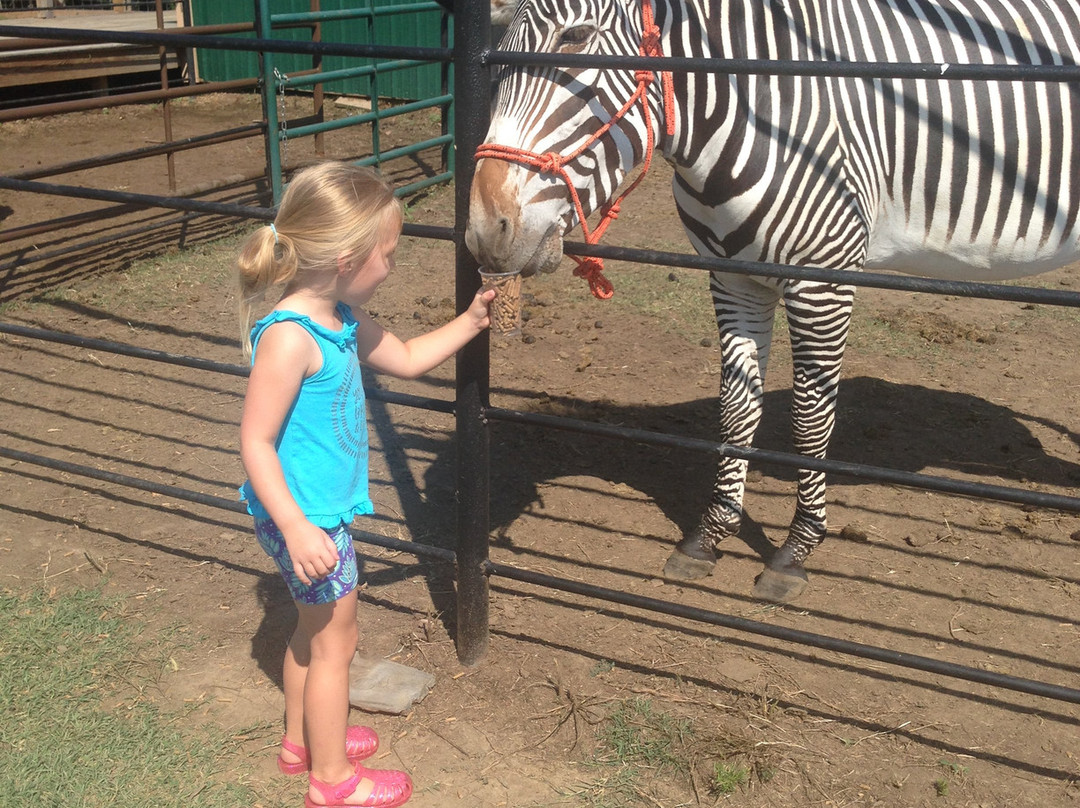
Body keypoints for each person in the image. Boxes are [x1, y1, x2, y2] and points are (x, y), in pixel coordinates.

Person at [236, 161, 494, 808]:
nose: (394, 265)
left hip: (313, 515)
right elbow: (254, 441)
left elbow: (405, 360)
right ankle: (331, 782)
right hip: (307, 520)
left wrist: (470, 322)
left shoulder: (341, 319)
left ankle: (301, 744)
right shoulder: (291, 339)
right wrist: (297, 527)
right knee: (335, 646)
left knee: (309, 630)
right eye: (389, 254)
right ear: (348, 259)